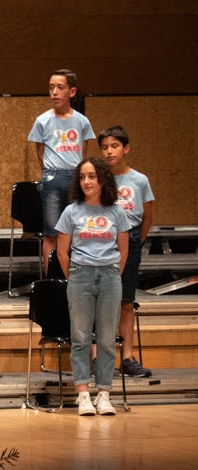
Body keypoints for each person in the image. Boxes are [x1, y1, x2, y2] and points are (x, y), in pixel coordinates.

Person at [55, 157, 130, 416]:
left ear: (102, 180)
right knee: (81, 338)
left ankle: (104, 394)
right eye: (83, 177)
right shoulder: (71, 211)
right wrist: (76, 275)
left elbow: (124, 251)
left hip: (110, 276)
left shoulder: (117, 212)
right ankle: (83, 394)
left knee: (108, 339)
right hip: (80, 276)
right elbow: (62, 253)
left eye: (92, 176)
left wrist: (110, 274)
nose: (86, 181)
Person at [99, 125, 154, 379]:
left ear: (126, 148)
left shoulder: (139, 180)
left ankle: (128, 357)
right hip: (102, 239)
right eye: (105, 147)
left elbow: (147, 217)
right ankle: (98, 356)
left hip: (130, 239)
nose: (109, 152)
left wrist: (135, 243)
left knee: (126, 300)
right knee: (100, 299)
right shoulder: (99, 178)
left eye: (115, 146)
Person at [27, 69, 95, 272]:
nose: (54, 92)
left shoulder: (81, 121)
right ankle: (51, 277)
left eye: (60, 87)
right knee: (51, 232)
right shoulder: (43, 120)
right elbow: (40, 152)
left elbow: (83, 152)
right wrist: (49, 174)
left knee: (76, 228)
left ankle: (75, 274)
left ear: (72, 92)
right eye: (51, 88)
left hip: (75, 177)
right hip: (53, 177)